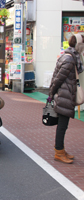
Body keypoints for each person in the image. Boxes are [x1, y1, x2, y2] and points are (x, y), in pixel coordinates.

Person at [48, 34, 84, 164]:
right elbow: (58, 78)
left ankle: (61, 150)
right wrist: (51, 93)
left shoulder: (70, 56)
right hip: (65, 95)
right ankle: (58, 152)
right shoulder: (70, 59)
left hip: (66, 94)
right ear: (79, 45)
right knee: (62, 126)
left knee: (63, 125)